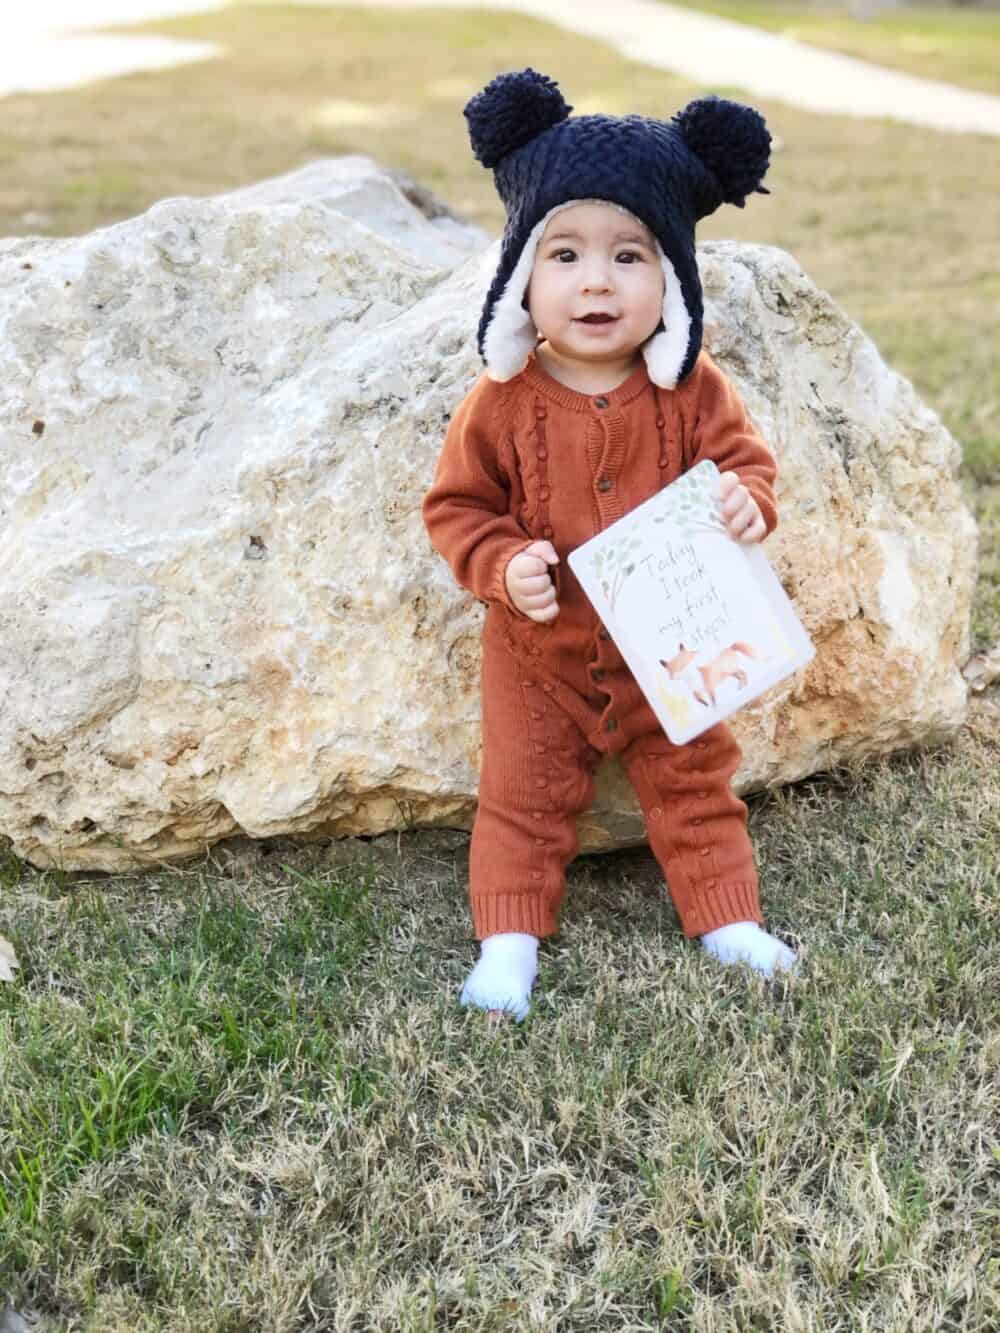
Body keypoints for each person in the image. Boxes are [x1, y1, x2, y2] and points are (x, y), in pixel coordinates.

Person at [423, 68, 798, 1023]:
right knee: (520, 794)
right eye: (565, 255)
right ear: (520, 278)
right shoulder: (501, 404)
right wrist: (506, 565)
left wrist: (748, 502)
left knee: (696, 779)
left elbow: (742, 463)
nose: (597, 280)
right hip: (537, 654)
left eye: (631, 255)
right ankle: (509, 941)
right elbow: (457, 509)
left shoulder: (691, 390)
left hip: (673, 644)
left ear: (671, 278)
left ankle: (725, 916)